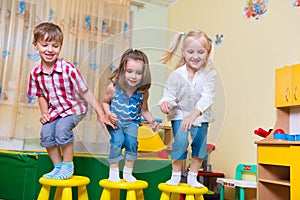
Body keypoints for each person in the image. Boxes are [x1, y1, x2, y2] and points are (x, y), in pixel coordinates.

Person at [27, 22, 112, 180]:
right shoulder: (35, 73)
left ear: (60, 46)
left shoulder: (68, 69)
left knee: (62, 129)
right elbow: (41, 95)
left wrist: (101, 113)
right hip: (55, 111)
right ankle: (58, 166)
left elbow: (86, 92)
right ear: (35, 45)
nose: (50, 50)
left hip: (75, 108)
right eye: (45, 45)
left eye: (55, 45)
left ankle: (67, 166)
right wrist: (45, 113)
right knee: (46, 133)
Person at [159, 30, 217, 188]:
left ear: (207, 52)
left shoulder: (209, 74)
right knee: (181, 141)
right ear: (183, 53)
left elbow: (207, 97)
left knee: (199, 143)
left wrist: (194, 114)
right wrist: (165, 103)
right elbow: (168, 94)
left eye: (200, 52)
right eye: (190, 52)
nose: (195, 56)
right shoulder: (177, 74)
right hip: (180, 113)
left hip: (200, 115)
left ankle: (193, 175)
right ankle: (176, 174)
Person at [102, 48, 159, 182]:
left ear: (144, 74)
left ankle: (128, 172)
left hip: (132, 122)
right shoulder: (113, 87)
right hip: (116, 122)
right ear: (123, 70)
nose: (133, 76)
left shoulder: (142, 91)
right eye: (129, 71)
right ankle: (114, 170)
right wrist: (109, 114)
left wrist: (151, 121)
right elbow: (105, 102)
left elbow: (144, 110)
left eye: (138, 73)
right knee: (118, 141)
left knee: (132, 142)